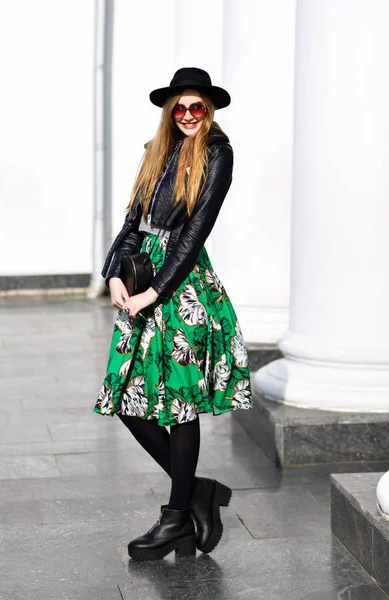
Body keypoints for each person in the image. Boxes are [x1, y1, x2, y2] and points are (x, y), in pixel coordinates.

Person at [94, 67, 252, 561]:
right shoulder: (155, 152)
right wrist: (115, 275)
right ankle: (197, 490)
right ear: (169, 111)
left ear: (209, 110)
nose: (186, 115)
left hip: (181, 289)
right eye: (179, 108)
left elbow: (195, 233)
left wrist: (154, 293)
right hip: (138, 281)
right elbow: (131, 224)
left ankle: (176, 516)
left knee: (178, 401)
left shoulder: (217, 154)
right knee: (124, 397)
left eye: (196, 107)